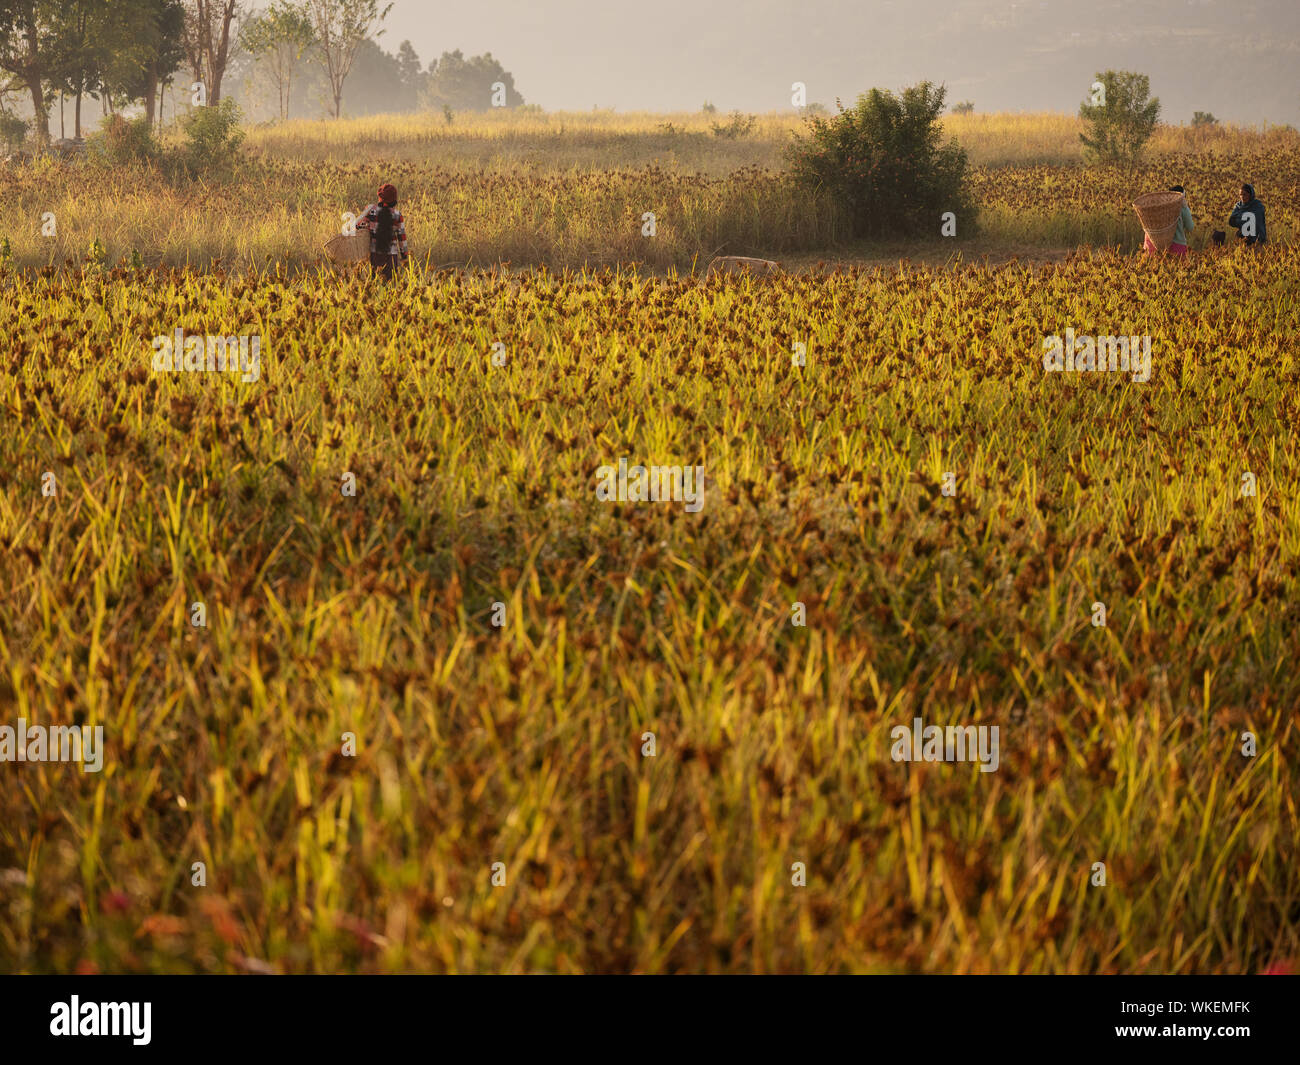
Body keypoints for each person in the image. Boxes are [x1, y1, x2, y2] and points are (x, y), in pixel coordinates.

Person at [356, 183, 409, 280]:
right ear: (394, 199)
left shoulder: (370, 209)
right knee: (390, 284)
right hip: (391, 256)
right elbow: (402, 238)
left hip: (374, 254)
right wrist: (404, 256)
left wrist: (369, 227)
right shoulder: (397, 215)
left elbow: (358, 225)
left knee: (374, 282)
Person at [1144, 185, 1194, 257]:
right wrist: (1186, 208)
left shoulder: (1161, 206)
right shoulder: (1183, 209)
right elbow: (1190, 227)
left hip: (1155, 245)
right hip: (1177, 246)